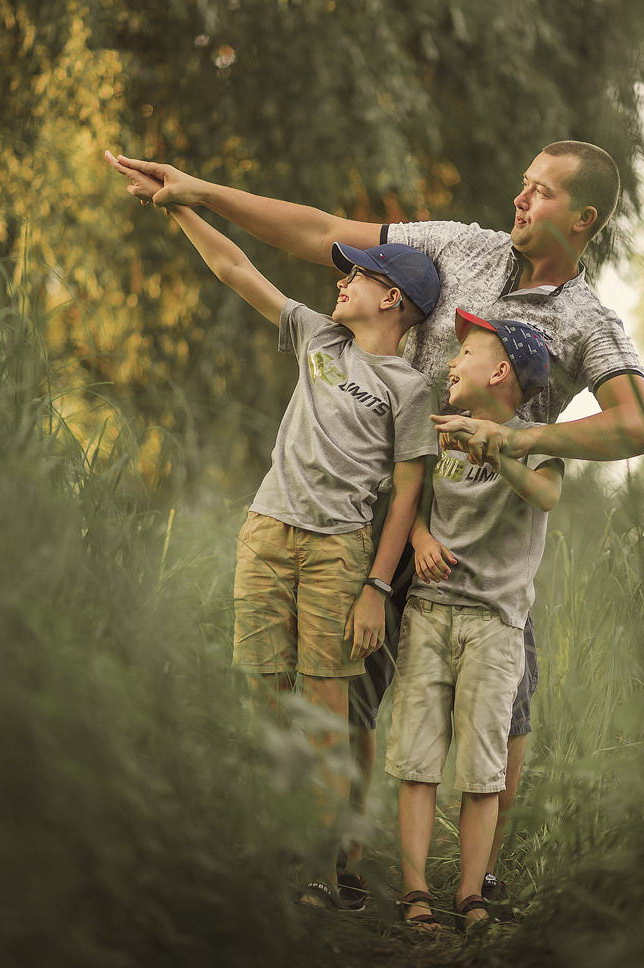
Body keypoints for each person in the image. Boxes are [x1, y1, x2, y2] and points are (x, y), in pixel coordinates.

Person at [105, 140, 644, 894]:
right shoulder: (461, 245)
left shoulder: (587, 321)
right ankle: (339, 859)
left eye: (543, 192)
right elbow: (321, 231)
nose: (521, 198)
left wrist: (523, 440)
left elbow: (637, 425)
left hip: (484, 544)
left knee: (507, 711)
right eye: (523, 184)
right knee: (348, 690)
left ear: (584, 218)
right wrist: (198, 192)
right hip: (384, 519)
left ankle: (480, 882)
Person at [105, 149, 440, 907]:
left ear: (391, 298)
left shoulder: (410, 388)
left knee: (324, 709)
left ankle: (320, 866)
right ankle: (285, 841)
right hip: (266, 532)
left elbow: (406, 495)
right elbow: (235, 269)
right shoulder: (318, 338)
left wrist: (376, 588)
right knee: (264, 696)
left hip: (337, 553)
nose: (339, 282)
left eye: (355, 276)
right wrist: (179, 205)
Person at [388, 309, 562, 934]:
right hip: (430, 612)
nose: (452, 361)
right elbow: (413, 500)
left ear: (500, 372)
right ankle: (414, 894)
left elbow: (545, 495)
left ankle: (470, 896)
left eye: (466, 353)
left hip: (495, 625)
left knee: (482, 770)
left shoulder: (539, 441)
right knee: (417, 760)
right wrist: (420, 539)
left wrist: (494, 447)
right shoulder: (439, 429)